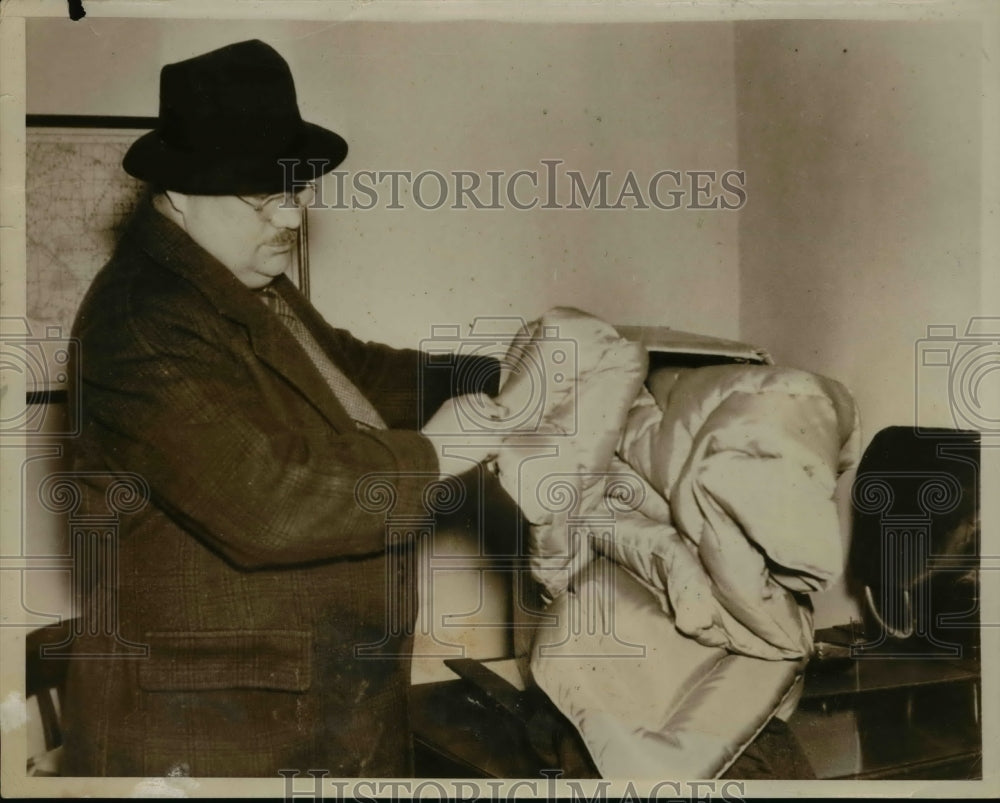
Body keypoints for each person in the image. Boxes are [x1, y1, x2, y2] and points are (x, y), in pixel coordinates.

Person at [60, 39, 503, 778]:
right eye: (267, 197)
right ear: (178, 191)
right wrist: (437, 454)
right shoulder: (140, 318)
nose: (292, 219)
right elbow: (270, 501)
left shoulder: (236, 281)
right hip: (213, 735)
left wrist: (498, 370)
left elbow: (352, 373)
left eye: (296, 191)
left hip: (312, 706)